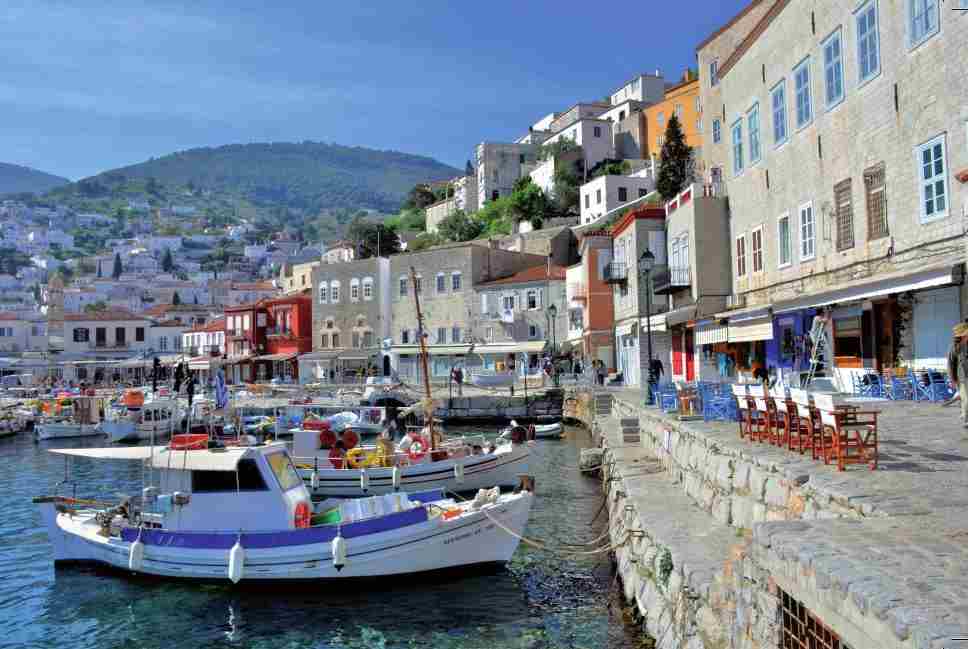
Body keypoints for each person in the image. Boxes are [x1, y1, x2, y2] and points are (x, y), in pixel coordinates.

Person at [947, 323, 968, 431]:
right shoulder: (955, 347)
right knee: (966, 400)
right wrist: (953, 379)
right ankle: (966, 420)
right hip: (962, 378)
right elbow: (950, 364)